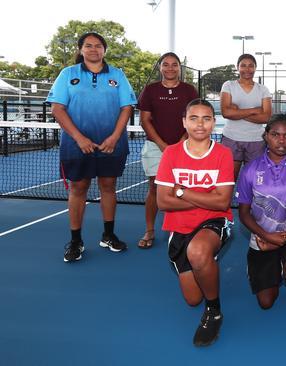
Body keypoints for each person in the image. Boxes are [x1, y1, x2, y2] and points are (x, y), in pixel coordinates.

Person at [47, 32, 136, 262]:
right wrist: (79, 138)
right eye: (88, 45)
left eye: (98, 46)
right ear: (81, 49)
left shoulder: (117, 75)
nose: (94, 49)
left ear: (104, 50)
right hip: (76, 145)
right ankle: (75, 241)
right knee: (78, 188)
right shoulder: (68, 74)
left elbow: (127, 107)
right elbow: (57, 108)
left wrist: (115, 137)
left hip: (111, 144)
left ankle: (108, 235)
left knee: (109, 186)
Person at [155, 99, 235, 347]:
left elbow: (222, 204)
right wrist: (206, 198)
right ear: (184, 122)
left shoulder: (223, 154)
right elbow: (162, 203)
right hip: (179, 227)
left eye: (206, 118)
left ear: (214, 122)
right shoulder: (171, 153)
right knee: (192, 299)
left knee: (198, 251)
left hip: (215, 221)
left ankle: (214, 312)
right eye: (194, 118)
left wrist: (183, 192)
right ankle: (206, 269)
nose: (200, 124)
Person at [237, 114, 286, 310]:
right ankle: (266, 264)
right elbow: (244, 213)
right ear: (265, 136)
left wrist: (284, 237)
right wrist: (266, 236)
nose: (281, 140)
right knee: (265, 302)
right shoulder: (250, 170)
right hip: (262, 233)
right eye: (275, 134)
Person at [137, 52, 199, 249]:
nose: (170, 68)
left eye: (174, 65)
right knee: (155, 187)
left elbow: (195, 117)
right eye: (166, 64)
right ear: (160, 68)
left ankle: (184, 228)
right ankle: (150, 230)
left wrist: (181, 143)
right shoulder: (150, 90)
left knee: (183, 188)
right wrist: (163, 145)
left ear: (179, 68)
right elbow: (144, 120)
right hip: (155, 147)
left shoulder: (189, 91)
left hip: (186, 146)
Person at [220, 54, 272, 179]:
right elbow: (226, 112)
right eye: (243, 65)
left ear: (255, 68)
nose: (247, 69)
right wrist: (255, 110)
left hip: (256, 141)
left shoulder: (263, 89)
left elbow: (266, 118)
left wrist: (237, 111)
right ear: (237, 68)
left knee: (253, 181)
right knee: (228, 180)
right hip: (231, 139)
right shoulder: (228, 85)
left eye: (251, 66)